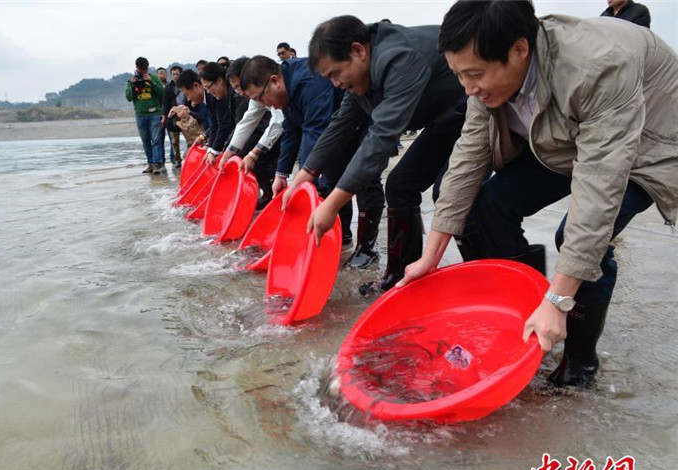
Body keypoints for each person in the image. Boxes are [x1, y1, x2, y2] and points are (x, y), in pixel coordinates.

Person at [397, 0, 678, 388]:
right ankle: (529, 311)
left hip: (644, 145)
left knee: (576, 238)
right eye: (459, 75)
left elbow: (599, 188)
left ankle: (579, 363)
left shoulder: (599, 67)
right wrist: (430, 256)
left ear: (520, 49)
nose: (468, 88)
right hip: (562, 136)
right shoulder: (484, 82)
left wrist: (560, 299)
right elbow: (467, 159)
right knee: (487, 204)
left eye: (475, 75)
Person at [285, 15, 466, 278]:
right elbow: (340, 124)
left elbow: (381, 136)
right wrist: (304, 175)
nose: (336, 84)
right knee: (400, 185)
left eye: (335, 73)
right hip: (444, 124)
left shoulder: (399, 58)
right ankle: (400, 278)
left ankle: (494, 279)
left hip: (474, 118)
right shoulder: (361, 78)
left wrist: (333, 203)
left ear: (358, 51)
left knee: (454, 195)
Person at [240, 56, 386, 251]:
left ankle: (366, 248)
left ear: (274, 81)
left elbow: (315, 131)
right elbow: (291, 129)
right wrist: (281, 174)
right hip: (336, 129)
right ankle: (341, 237)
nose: (265, 104)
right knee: (333, 178)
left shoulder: (308, 81)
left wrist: (304, 182)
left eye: (260, 97)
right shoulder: (285, 88)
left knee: (366, 177)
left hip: (364, 117)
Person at [216, 56, 284, 209]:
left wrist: (253, 154)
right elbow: (247, 121)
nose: (240, 92)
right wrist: (228, 153)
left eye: (240, 87)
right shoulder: (253, 96)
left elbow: (278, 121)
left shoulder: (269, 87)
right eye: (235, 88)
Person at [178, 68, 234, 167]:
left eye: (187, 94)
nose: (188, 99)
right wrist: (209, 147)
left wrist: (214, 152)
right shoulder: (208, 98)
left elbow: (224, 124)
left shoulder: (215, 95)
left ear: (196, 86)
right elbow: (214, 124)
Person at [125, 57, 165, 174]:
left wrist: (151, 82)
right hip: (140, 114)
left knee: (156, 140)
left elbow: (162, 93)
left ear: (147, 67)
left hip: (154, 113)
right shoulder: (131, 80)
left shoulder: (154, 78)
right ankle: (150, 164)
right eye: (141, 70)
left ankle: (157, 164)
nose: (143, 72)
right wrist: (132, 85)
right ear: (136, 67)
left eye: (145, 69)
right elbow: (128, 97)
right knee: (145, 141)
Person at [161, 65, 185, 168]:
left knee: (190, 137)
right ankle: (177, 160)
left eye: (177, 74)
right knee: (174, 140)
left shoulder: (185, 84)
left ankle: (191, 157)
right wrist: (164, 116)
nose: (175, 76)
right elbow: (165, 103)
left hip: (185, 113)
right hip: (173, 115)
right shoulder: (168, 87)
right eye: (173, 74)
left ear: (181, 74)